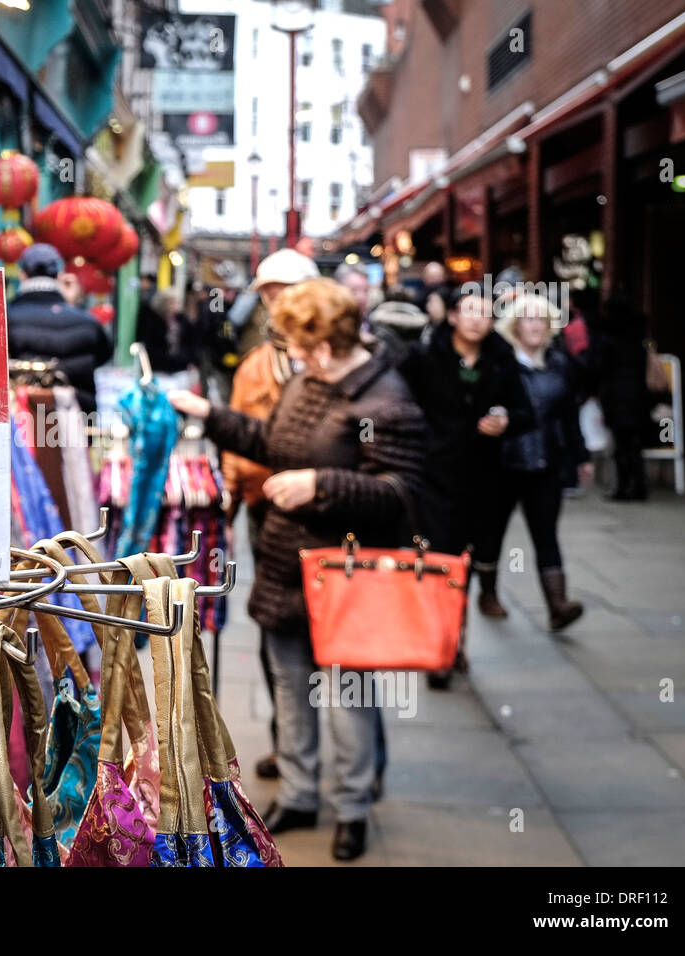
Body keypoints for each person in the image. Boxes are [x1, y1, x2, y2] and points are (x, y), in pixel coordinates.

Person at [169, 277, 427, 862]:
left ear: (332, 339)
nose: (297, 357)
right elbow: (272, 443)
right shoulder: (307, 381)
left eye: (304, 346)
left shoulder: (386, 401)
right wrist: (209, 414)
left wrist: (320, 485)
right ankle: (300, 793)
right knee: (290, 688)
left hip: (346, 574)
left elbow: (402, 492)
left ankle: (354, 806)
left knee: (349, 697)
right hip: (287, 565)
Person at [222, 248, 318, 783]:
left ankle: (353, 756)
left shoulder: (342, 358)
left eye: (288, 292)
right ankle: (289, 741)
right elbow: (239, 433)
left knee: (337, 634)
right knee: (276, 626)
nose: (278, 303)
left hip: (332, 513)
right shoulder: (258, 363)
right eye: (270, 295)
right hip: (268, 511)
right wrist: (230, 495)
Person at [398, 286, 534, 635]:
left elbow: (525, 413)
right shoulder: (425, 357)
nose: (477, 319)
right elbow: (397, 405)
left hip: (486, 476)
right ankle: (441, 637)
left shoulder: (502, 361)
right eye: (469, 310)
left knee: (471, 557)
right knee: (439, 555)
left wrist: (506, 422)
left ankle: (455, 636)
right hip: (435, 475)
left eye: (485, 313)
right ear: (454, 316)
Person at [492, 294, 589, 630]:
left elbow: (570, 415)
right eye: (527, 318)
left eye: (540, 319)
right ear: (515, 325)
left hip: (548, 462)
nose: (534, 324)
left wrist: (581, 455)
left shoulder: (561, 364)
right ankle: (488, 594)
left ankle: (558, 606)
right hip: (505, 464)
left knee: (546, 534)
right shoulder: (501, 364)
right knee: (492, 534)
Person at [6, 243, 111, 413]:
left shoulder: (6, 319)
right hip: (78, 421)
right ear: (59, 275)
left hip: (24, 425)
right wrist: (71, 304)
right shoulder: (87, 322)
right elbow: (103, 355)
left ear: (23, 275)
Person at [592, 291, 650, 500]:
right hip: (638, 395)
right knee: (634, 444)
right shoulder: (638, 333)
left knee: (622, 445)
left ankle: (626, 486)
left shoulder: (609, 335)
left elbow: (599, 366)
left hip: (617, 395)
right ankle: (639, 485)